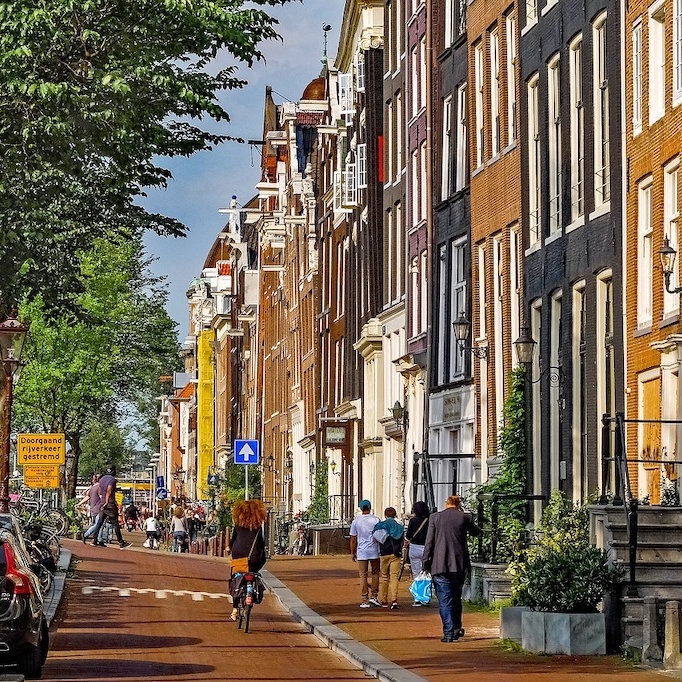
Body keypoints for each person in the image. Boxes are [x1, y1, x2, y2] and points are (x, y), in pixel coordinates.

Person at [422, 495, 482, 642]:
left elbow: (429, 542)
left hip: (440, 564)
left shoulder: (435, 518)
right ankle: (456, 629)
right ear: (458, 504)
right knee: (456, 597)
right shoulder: (464, 517)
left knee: (445, 600)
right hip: (459, 564)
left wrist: (425, 562)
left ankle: (448, 632)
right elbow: (476, 532)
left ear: (446, 503)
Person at [228, 499, 267, 621]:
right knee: (256, 567)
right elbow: (261, 542)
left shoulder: (238, 525)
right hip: (253, 556)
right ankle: (254, 581)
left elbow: (233, 538)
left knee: (235, 576)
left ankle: (235, 609)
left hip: (238, 554)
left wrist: (229, 547)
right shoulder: (257, 526)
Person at [89, 466, 132, 549]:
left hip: (102, 503)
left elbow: (101, 489)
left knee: (99, 523)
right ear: (113, 471)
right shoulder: (112, 480)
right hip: (109, 504)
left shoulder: (102, 479)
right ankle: (121, 543)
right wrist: (107, 501)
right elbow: (109, 490)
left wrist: (103, 500)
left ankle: (94, 540)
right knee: (116, 524)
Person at [349, 499, 381, 609]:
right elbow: (380, 534)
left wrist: (353, 552)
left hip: (362, 551)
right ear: (370, 507)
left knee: (363, 575)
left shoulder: (356, 521)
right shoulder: (376, 520)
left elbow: (353, 539)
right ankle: (374, 596)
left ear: (361, 509)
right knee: (375, 573)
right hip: (374, 550)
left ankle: (364, 599)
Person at [373, 507, 405, 609]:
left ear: (385, 515)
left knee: (385, 577)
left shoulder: (380, 525)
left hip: (384, 553)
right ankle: (394, 600)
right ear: (395, 515)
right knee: (394, 577)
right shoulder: (399, 526)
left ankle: (384, 601)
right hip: (396, 554)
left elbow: (375, 538)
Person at [404, 500, 431, 605]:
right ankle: (426, 596)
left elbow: (408, 536)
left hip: (414, 548)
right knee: (427, 573)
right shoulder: (430, 520)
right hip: (427, 548)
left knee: (416, 573)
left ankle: (418, 598)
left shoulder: (413, 521)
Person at [81, 474, 106, 546]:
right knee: (98, 524)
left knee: (99, 524)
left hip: (93, 509)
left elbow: (87, 497)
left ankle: (99, 540)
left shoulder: (92, 488)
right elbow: (102, 497)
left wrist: (79, 503)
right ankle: (86, 534)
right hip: (99, 509)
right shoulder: (99, 487)